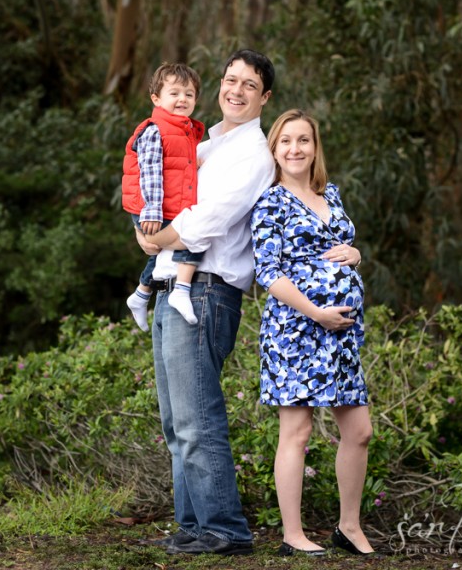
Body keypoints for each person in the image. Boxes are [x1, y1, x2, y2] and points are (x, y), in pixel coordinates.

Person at [137, 48, 276, 556]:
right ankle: (194, 526)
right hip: (175, 281)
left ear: (265, 97)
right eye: (230, 79)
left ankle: (225, 530)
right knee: (177, 421)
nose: (235, 90)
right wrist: (150, 230)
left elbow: (209, 218)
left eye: (249, 85)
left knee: (197, 418)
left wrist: (155, 240)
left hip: (208, 289)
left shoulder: (253, 154)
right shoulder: (205, 139)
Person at [251, 109, 377, 557]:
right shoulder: (271, 202)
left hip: (340, 336)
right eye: (286, 142)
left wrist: (357, 255)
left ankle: (348, 526)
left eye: (303, 140)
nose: (295, 149)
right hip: (297, 329)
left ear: (315, 147)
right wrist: (316, 312)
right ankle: (292, 534)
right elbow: (269, 272)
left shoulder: (332, 194)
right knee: (297, 433)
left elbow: (339, 248)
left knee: (359, 429)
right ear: (275, 148)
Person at [121, 63, 206, 329]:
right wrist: (152, 210)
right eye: (175, 93)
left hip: (161, 206)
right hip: (151, 206)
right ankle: (181, 290)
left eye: (189, 94)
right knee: (196, 235)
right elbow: (151, 172)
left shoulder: (184, 131)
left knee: (158, 253)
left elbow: (177, 167)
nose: (183, 99)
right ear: (156, 98)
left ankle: (141, 293)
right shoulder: (155, 129)